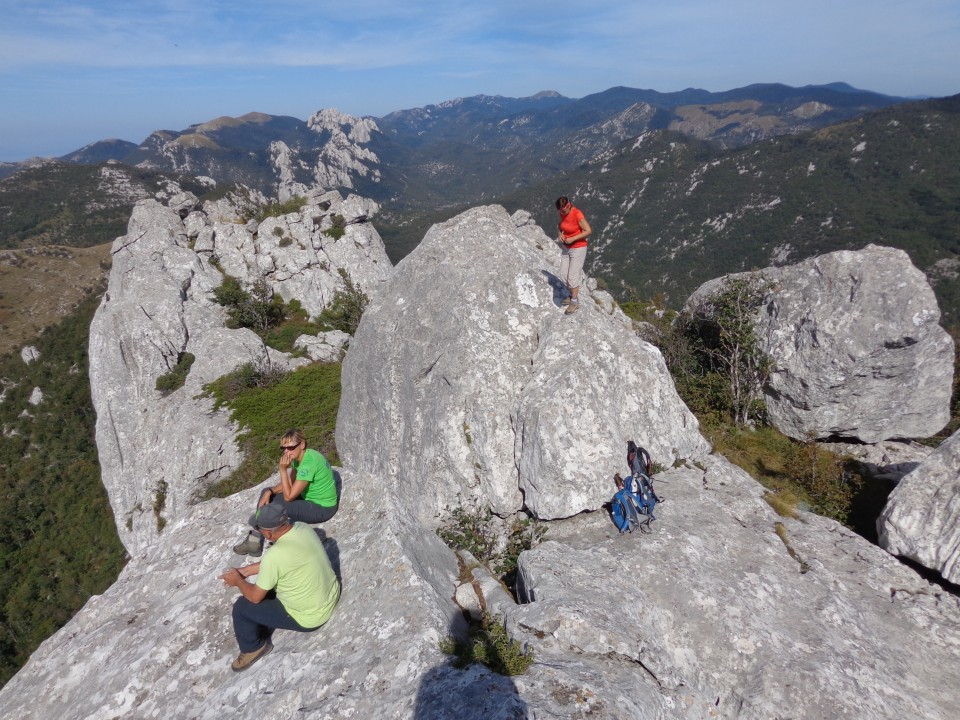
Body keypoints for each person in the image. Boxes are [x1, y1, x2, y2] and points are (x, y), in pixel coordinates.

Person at [220, 503, 340, 671]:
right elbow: (284, 562)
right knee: (270, 584)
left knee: (241, 607)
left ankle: (253, 648)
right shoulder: (302, 528)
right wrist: (246, 571)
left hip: (310, 617)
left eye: (259, 529)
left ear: (268, 533)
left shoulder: (274, 556)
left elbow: (255, 596)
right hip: (330, 593)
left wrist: (238, 581)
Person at [233, 429, 338, 556]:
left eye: (291, 447)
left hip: (322, 508)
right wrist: (270, 491)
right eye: (284, 448)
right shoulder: (300, 456)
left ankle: (264, 536)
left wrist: (282, 469)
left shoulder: (308, 464)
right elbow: (291, 482)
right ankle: (257, 536)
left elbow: (288, 497)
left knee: (276, 506)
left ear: (302, 444)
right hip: (309, 498)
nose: (286, 452)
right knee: (267, 493)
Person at [555, 196, 592, 315]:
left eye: (563, 211)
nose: (561, 213)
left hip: (578, 248)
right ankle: (572, 295)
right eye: (560, 211)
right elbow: (561, 225)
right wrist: (560, 234)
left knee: (572, 277)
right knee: (563, 274)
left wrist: (573, 238)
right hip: (567, 247)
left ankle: (575, 302)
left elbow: (588, 230)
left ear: (569, 206)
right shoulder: (563, 213)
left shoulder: (577, 214)